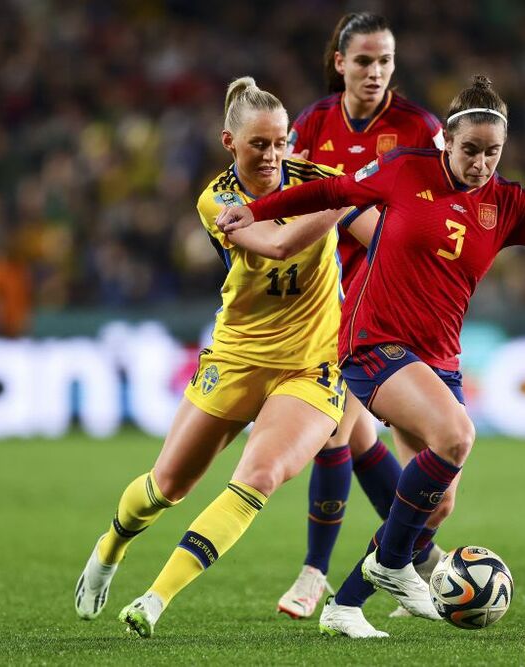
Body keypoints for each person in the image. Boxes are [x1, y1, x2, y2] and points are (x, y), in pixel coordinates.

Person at [216, 75, 525, 637]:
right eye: (470, 150)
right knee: (456, 437)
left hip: (439, 358)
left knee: (435, 507)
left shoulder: (510, 204)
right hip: (373, 341)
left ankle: (346, 603)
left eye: (492, 152)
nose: (481, 162)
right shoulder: (406, 169)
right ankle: (388, 567)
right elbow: (332, 192)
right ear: (447, 142)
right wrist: (260, 210)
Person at [73, 76, 377, 638]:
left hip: (311, 365)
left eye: (281, 142)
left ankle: (154, 600)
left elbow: (379, 228)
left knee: (259, 476)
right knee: (167, 486)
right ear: (228, 143)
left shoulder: (321, 182)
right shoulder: (218, 200)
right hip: (237, 356)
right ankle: (111, 546)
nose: (272, 155)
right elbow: (280, 244)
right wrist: (344, 195)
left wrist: (377, 202)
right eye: (258, 144)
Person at [277, 12, 449, 620]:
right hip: (325, 296)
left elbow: (423, 220)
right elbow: (296, 201)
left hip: (388, 299)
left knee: (354, 438)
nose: (375, 72)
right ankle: (334, 572)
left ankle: (397, 559)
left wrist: (349, 210)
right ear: (340, 62)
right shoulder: (314, 122)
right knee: (344, 431)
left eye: (385, 61)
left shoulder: (419, 129)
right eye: (364, 61)